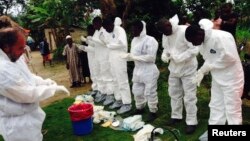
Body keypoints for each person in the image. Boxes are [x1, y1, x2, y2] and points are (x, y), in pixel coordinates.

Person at [0, 27, 70, 141]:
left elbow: (28, 76)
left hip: (30, 119)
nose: (23, 52)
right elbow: (26, 94)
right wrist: (53, 89)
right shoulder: (2, 69)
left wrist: (45, 82)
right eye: (20, 48)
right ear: (6, 47)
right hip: (17, 126)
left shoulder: (13, 57)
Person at [185, 19, 244, 139]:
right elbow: (209, 59)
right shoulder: (202, 42)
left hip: (232, 78)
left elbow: (229, 58)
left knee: (232, 108)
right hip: (217, 77)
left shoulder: (221, 37)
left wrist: (208, 68)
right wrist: (201, 71)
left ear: (199, 34)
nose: (194, 44)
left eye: (193, 41)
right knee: (216, 105)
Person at [156, 15, 199, 134]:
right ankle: (176, 116)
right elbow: (166, 48)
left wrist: (180, 57)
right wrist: (164, 55)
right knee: (174, 93)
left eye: (166, 31)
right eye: (163, 33)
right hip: (174, 69)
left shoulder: (184, 31)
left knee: (189, 96)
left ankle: (191, 122)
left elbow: (195, 49)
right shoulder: (165, 34)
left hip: (188, 68)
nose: (166, 34)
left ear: (169, 25)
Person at [122, 20, 159, 122]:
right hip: (138, 69)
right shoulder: (134, 40)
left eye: (134, 30)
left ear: (141, 29)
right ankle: (140, 108)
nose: (132, 32)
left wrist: (134, 57)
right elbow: (134, 55)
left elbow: (151, 58)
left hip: (149, 70)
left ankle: (153, 111)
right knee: (137, 91)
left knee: (150, 92)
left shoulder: (150, 40)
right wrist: (129, 57)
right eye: (132, 30)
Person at [102, 17, 132, 114]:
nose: (106, 30)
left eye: (107, 28)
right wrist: (111, 44)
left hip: (120, 58)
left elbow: (122, 44)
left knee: (122, 80)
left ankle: (127, 103)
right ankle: (118, 100)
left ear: (111, 24)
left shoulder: (120, 30)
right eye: (105, 29)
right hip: (112, 58)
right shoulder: (108, 32)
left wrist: (110, 45)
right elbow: (108, 43)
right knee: (115, 80)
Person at [91, 16, 114, 103]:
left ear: (99, 23)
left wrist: (96, 40)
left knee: (107, 77)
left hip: (105, 57)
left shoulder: (104, 31)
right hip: (98, 57)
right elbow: (95, 44)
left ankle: (110, 95)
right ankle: (103, 92)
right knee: (101, 76)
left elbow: (106, 43)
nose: (94, 26)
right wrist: (89, 41)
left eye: (95, 24)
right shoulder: (96, 32)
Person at [80, 25, 98, 93]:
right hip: (90, 58)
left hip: (95, 57)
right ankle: (95, 87)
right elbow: (89, 48)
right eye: (87, 30)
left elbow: (94, 47)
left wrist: (85, 41)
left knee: (96, 72)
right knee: (92, 72)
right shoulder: (89, 37)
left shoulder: (95, 37)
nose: (88, 32)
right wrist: (83, 48)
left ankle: (98, 88)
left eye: (89, 30)